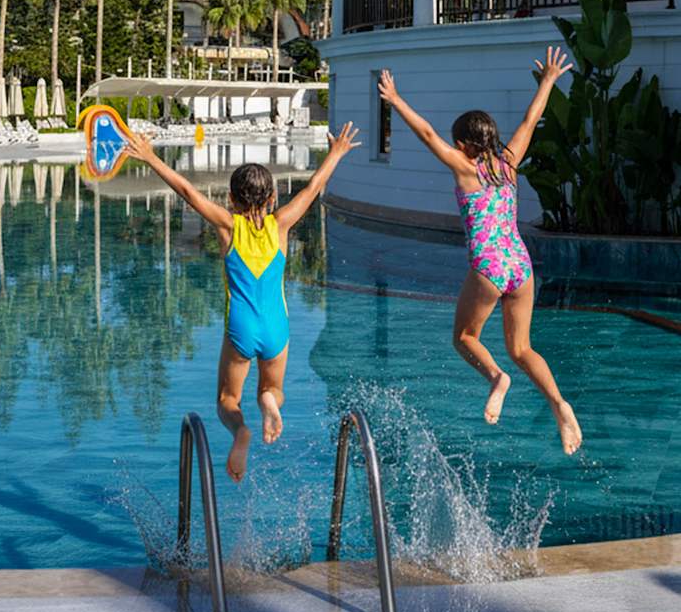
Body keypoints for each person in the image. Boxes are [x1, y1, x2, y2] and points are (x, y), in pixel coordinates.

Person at [125, 121, 361, 481]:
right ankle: (268, 402)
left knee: (227, 400)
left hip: (241, 326)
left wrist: (151, 157)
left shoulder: (228, 226)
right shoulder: (281, 224)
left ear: (231, 199)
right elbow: (314, 186)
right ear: (273, 198)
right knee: (273, 389)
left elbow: (187, 191)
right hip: (276, 325)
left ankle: (241, 432)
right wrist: (336, 152)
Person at [377, 48, 582, 455]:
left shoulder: (465, 168)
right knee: (522, 348)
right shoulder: (510, 163)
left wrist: (396, 100)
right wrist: (547, 81)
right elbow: (529, 120)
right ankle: (560, 405)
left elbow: (427, 135)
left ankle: (496, 378)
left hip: (489, 265)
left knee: (465, 337)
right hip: (520, 264)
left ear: (462, 144)